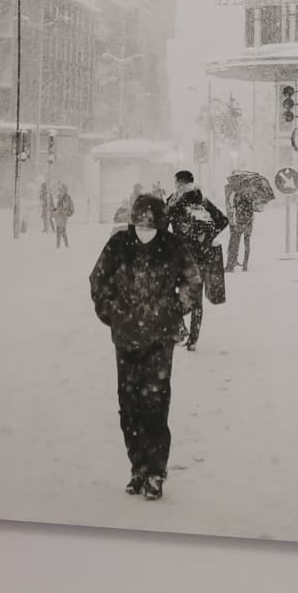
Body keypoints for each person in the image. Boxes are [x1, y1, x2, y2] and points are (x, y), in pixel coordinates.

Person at [90, 192, 201, 501]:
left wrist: (175, 309)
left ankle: (155, 471)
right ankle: (137, 467)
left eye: (151, 227)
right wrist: (110, 313)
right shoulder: (118, 245)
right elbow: (98, 280)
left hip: (160, 340)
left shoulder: (173, 247)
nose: (144, 232)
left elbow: (193, 282)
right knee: (128, 407)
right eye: (140, 226)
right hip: (125, 339)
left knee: (155, 406)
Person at [167, 183, 229, 350]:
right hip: (201, 262)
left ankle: (180, 326)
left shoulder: (179, 209)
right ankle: (193, 340)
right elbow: (224, 220)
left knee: (172, 294)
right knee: (197, 302)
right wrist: (207, 238)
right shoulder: (205, 209)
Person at [225, 180, 256, 271]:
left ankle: (231, 265)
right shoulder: (251, 195)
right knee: (247, 243)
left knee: (235, 242)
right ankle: (245, 265)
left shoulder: (237, 194)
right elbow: (253, 210)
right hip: (248, 224)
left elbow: (232, 206)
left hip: (239, 223)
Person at [52, 182, 74, 248]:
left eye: (61, 189)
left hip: (63, 216)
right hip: (59, 215)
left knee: (61, 230)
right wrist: (55, 210)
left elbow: (64, 207)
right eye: (60, 189)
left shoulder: (66, 197)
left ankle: (61, 246)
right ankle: (64, 246)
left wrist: (58, 210)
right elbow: (59, 206)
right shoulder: (60, 196)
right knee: (61, 230)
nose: (60, 190)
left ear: (64, 189)